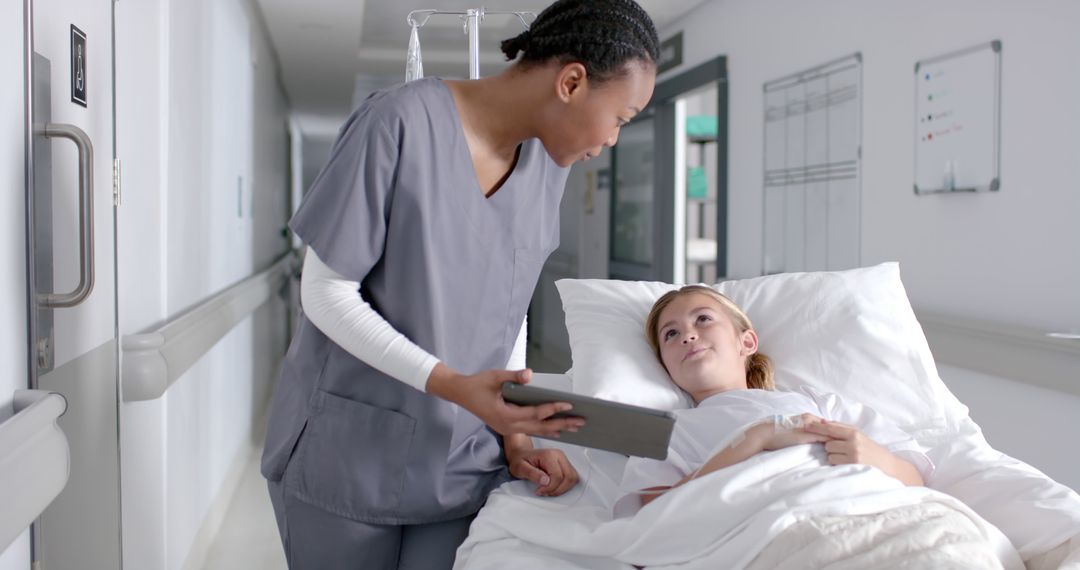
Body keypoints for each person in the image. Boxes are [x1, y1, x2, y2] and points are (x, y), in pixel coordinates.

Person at [260, 1, 660, 568]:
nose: (614, 138)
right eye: (621, 117)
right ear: (571, 81)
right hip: (347, 453)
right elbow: (325, 293)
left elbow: (510, 302)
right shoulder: (397, 122)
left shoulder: (549, 165)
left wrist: (517, 435)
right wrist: (452, 385)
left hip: (460, 461)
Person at [626, 285, 932, 507]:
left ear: (746, 342)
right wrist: (751, 441)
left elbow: (916, 479)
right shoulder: (669, 431)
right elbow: (645, 523)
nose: (688, 335)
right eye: (671, 334)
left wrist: (875, 458)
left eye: (703, 319)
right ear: (666, 369)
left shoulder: (813, 402)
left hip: (869, 509)